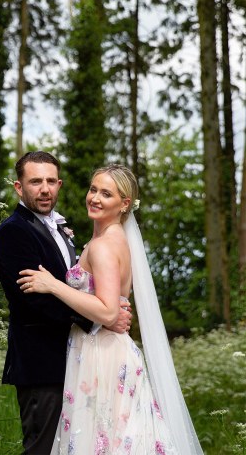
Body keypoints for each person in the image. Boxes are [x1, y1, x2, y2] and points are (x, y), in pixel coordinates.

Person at [18, 163, 204, 455]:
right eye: (93, 189)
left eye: (106, 193)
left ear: (124, 203)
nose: (95, 198)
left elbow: (107, 312)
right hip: (105, 349)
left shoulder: (104, 245)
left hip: (101, 355)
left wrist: (53, 285)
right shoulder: (113, 239)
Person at [0, 152, 132, 455]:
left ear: (59, 184)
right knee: (43, 448)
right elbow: (35, 302)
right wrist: (102, 318)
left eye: (50, 181)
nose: (44, 189)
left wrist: (102, 312)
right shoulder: (13, 232)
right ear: (19, 187)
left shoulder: (62, 228)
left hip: (80, 359)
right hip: (42, 363)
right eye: (35, 182)